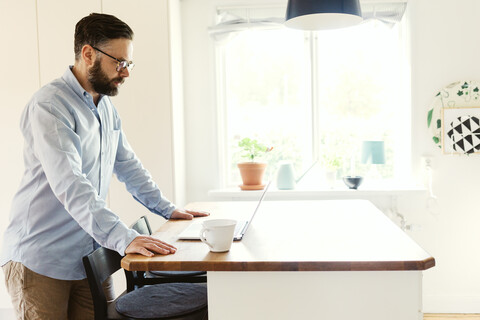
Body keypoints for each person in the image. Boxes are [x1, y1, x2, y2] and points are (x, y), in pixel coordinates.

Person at [1, 12, 208, 319]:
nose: (125, 72)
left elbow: (127, 164)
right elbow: (71, 183)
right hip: (41, 260)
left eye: (129, 63)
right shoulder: (50, 105)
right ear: (88, 54)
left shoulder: (104, 106)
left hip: (86, 256)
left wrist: (168, 209)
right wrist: (125, 238)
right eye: (119, 62)